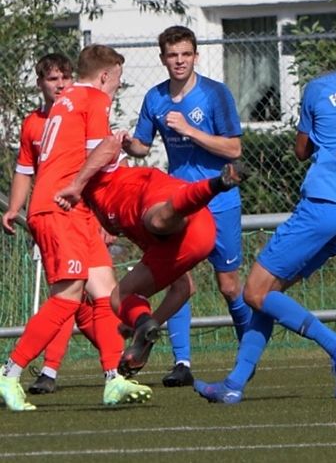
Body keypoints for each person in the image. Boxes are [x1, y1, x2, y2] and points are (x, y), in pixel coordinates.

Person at [194, 19, 336, 404]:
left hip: (319, 205)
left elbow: (301, 150)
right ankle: (234, 384)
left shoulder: (319, 88)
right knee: (269, 294)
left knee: (253, 290)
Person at [0, 45, 151, 412]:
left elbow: (87, 152)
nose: (116, 87)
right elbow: (97, 156)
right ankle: (10, 373)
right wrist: (121, 148)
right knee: (67, 299)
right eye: (116, 79)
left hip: (76, 209)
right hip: (60, 206)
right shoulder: (93, 99)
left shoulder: (69, 100)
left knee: (105, 293)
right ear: (104, 76)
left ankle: (112, 378)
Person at [54, 132, 247, 377]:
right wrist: (144, 323)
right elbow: (184, 288)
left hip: (166, 203)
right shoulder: (92, 204)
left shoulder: (86, 159)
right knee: (120, 298)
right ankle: (143, 330)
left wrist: (77, 184)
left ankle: (215, 185)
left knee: (158, 220)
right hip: (191, 236)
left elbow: (109, 143)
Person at [122, 25, 251, 388]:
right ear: (162, 59)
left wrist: (191, 131)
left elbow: (234, 150)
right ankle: (181, 361)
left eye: (185, 54)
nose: (179, 61)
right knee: (176, 280)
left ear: (195, 56)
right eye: (172, 55)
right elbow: (143, 146)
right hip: (179, 201)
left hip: (219, 199)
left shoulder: (214, 94)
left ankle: (248, 355)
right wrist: (124, 143)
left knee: (228, 286)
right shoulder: (155, 98)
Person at [1, 53, 102, 396]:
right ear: (40, 83)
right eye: (52, 79)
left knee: (92, 293)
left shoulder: (80, 109)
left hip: (84, 214)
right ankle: (48, 368)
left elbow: (97, 161)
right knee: (70, 293)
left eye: (65, 77)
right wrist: (14, 208)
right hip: (58, 214)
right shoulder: (34, 124)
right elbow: (24, 170)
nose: (60, 84)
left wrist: (104, 215)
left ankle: (118, 360)